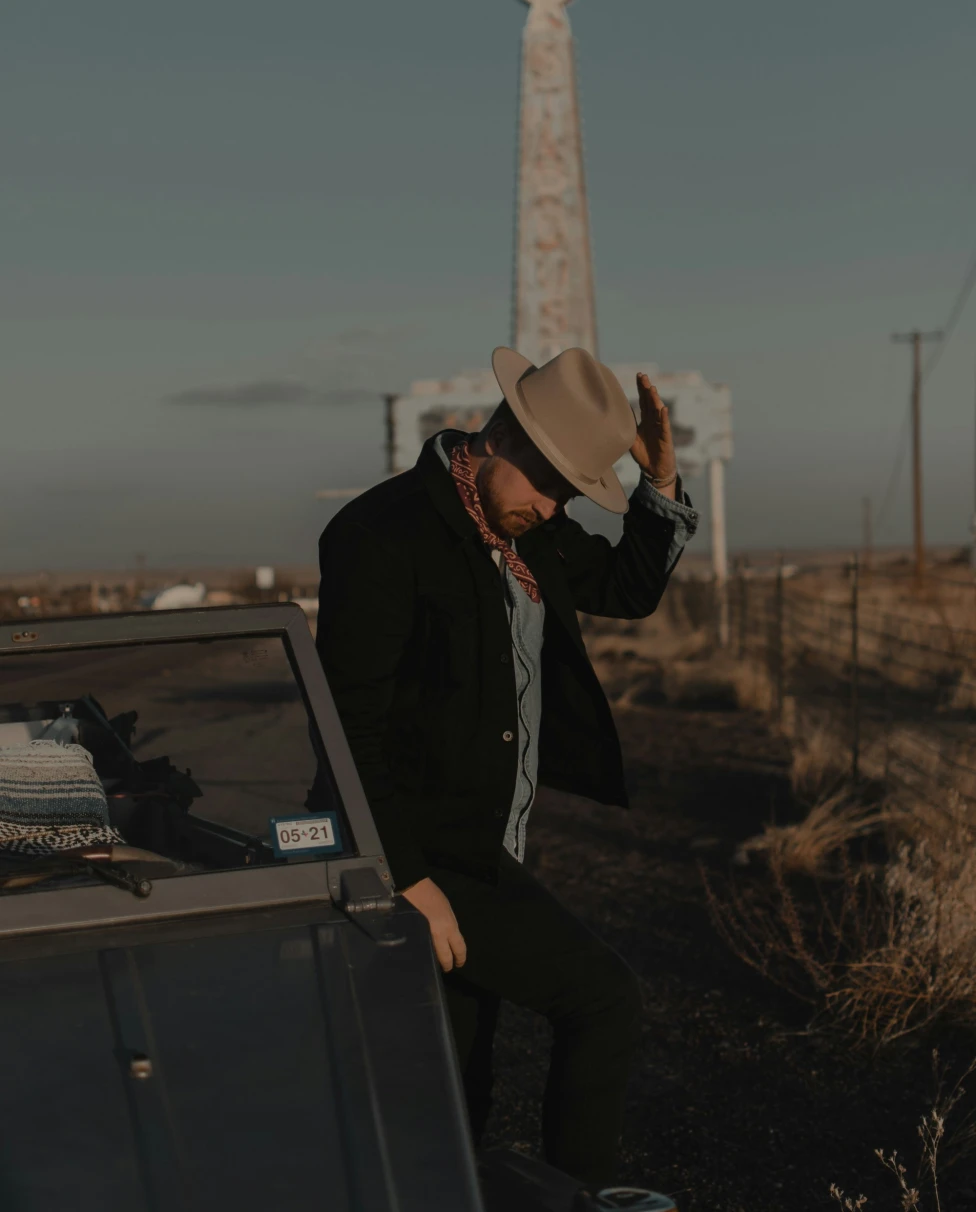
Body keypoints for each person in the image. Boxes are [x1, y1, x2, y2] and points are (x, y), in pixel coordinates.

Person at [316, 345, 698, 1190]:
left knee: (455, 1083)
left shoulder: (531, 531)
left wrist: (660, 486)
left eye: (570, 491)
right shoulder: (382, 535)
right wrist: (406, 880)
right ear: (498, 436)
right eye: (548, 482)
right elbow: (346, 727)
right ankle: (584, 1205)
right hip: (419, 851)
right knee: (602, 999)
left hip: (486, 843)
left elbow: (631, 587)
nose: (555, 504)